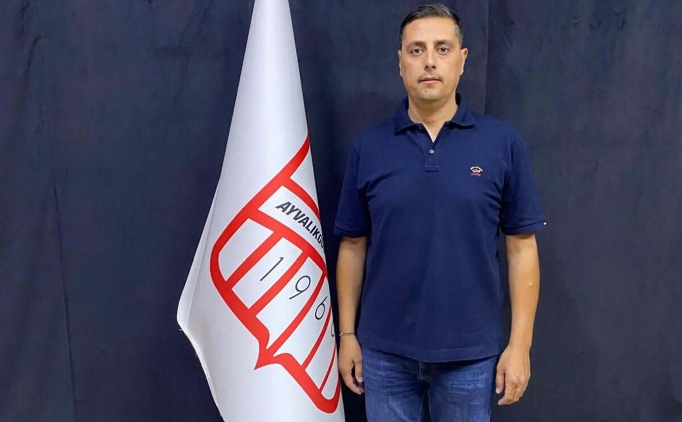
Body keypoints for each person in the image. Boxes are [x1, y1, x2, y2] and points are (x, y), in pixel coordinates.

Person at [333, 4, 547, 421]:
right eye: (416, 50)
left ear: (462, 60)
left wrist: (520, 345)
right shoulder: (370, 147)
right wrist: (347, 335)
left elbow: (522, 246)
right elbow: (353, 245)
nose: (429, 61)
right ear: (400, 62)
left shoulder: (501, 143)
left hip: (471, 356)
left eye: (442, 48)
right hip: (384, 354)